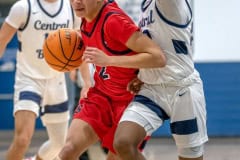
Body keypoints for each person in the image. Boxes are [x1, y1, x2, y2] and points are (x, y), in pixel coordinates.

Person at [55, 0, 166, 159]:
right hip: (101, 96)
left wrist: (109, 60)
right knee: (68, 151)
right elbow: (87, 51)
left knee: (118, 153)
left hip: (129, 101)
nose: (76, 2)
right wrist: (86, 83)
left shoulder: (114, 21)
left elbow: (158, 57)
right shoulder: (85, 19)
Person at [112, 0, 208, 160]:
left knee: (190, 156)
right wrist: (143, 74)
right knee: (123, 143)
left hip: (183, 90)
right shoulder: (147, 5)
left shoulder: (171, 4)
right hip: (152, 90)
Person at [0, 0, 80, 159]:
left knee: (59, 144)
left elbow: (79, 43)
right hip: (28, 79)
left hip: (56, 80)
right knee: (22, 140)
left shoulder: (71, 7)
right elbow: (2, 39)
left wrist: (79, 71)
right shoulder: (24, 7)